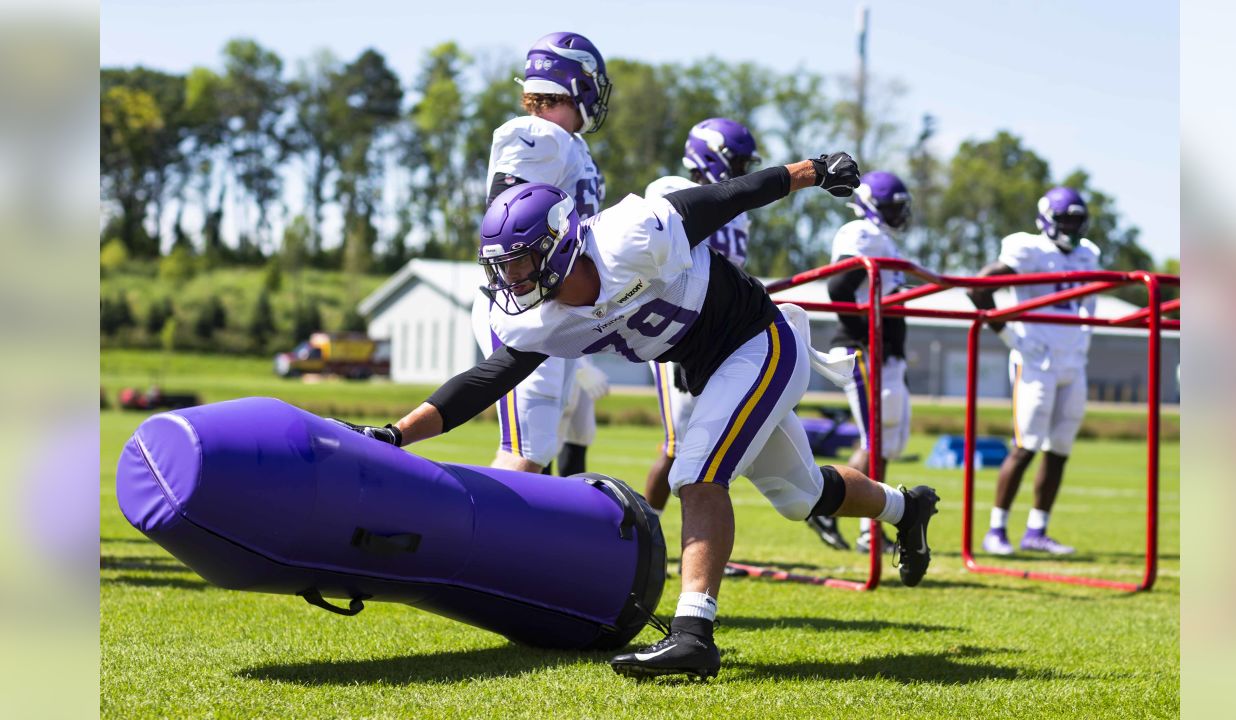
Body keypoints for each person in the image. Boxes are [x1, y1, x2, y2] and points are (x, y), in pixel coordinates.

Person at [337, 153, 939, 681]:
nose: (510, 280)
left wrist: (810, 171)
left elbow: (724, 198)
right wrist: (396, 434)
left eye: (520, 263)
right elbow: (482, 382)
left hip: (759, 341)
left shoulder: (629, 234)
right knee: (801, 497)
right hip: (710, 370)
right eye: (503, 267)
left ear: (559, 243)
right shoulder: (542, 315)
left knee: (697, 472)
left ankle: (694, 634)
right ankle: (905, 507)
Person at [469, 31, 610, 475]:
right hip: (522, 305)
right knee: (524, 447)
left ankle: (525, 542)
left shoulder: (571, 145)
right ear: (577, 83)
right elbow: (507, 229)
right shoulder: (536, 135)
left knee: (540, 446)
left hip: (553, 311)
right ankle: (475, 541)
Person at [968, 186, 1100, 556]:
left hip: (1072, 360)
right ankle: (996, 530)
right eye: (1065, 219)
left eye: (1077, 220)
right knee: (1026, 446)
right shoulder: (1029, 248)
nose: (1072, 227)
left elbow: (1088, 301)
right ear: (1047, 220)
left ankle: (1037, 530)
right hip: (1036, 358)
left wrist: (1085, 334)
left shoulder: (1088, 254)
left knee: (1060, 448)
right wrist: (1010, 335)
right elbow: (980, 289)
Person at [640, 117, 759, 521]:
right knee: (676, 445)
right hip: (678, 330)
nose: (744, 171)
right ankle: (642, 531)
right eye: (739, 161)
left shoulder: (740, 212)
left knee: (718, 445)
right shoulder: (670, 190)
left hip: (722, 335)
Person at [812, 171, 915, 554]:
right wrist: (867, 331)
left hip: (882, 352)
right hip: (863, 349)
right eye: (891, 207)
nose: (897, 214)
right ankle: (864, 525)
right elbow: (839, 287)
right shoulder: (861, 233)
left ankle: (832, 506)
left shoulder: (883, 239)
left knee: (882, 442)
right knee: (876, 440)